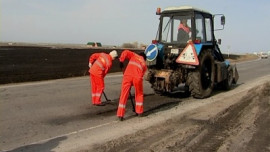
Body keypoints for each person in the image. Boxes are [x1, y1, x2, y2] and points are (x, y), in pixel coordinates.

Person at [117, 50, 147, 121]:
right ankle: (139, 112)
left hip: (127, 76)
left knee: (123, 94)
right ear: (144, 58)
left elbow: (125, 52)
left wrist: (121, 60)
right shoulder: (144, 63)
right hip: (137, 77)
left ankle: (120, 115)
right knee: (139, 94)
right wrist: (133, 83)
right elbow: (142, 74)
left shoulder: (134, 55)